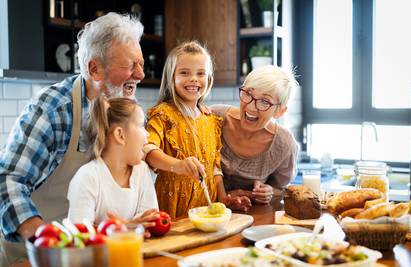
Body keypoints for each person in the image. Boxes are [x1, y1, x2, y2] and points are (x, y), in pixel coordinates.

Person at [0, 12, 145, 265]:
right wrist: (45, 245)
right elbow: (7, 181)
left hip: (89, 254)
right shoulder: (53, 109)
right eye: (131, 65)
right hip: (32, 256)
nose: (141, 75)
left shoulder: (123, 110)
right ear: (94, 68)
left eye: (141, 64)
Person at [144, 41, 240, 219]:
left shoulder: (211, 120)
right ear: (171, 77)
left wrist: (223, 199)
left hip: (206, 204)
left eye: (201, 73)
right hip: (172, 204)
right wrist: (178, 165)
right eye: (184, 73)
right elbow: (148, 151)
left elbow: (214, 168)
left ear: (209, 79)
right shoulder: (163, 114)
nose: (194, 79)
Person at [211, 65, 299, 210]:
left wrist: (269, 192)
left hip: (252, 219)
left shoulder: (284, 144)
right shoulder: (215, 118)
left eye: (265, 101)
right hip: (204, 213)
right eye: (248, 94)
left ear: (280, 111)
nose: (251, 107)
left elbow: (282, 189)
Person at [67, 97, 158, 232]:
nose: (147, 134)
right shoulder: (87, 177)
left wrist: (134, 226)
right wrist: (121, 229)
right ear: (120, 135)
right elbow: (79, 235)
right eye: (141, 126)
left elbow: (150, 220)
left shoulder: (142, 170)